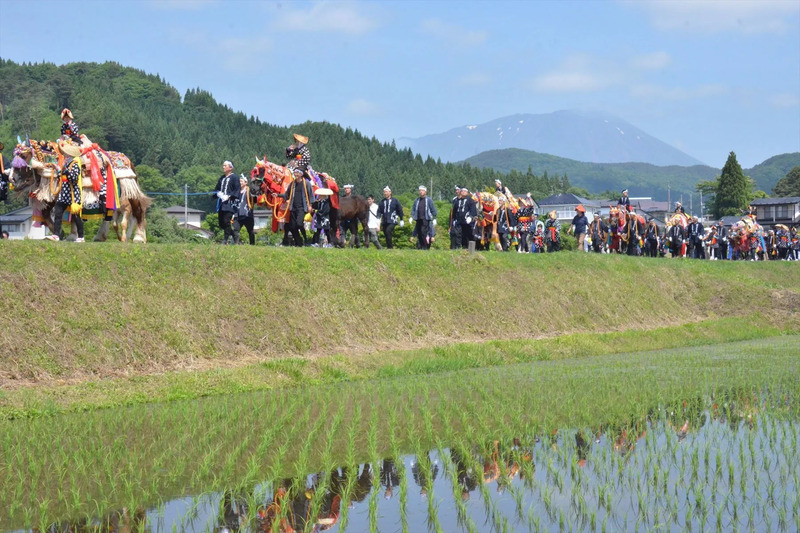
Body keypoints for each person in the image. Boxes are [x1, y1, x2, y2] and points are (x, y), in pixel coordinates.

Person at [46, 140, 84, 242]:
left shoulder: (75, 164)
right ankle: (56, 235)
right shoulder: (66, 164)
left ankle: (81, 236)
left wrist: (65, 170)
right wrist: (58, 169)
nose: (64, 155)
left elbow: (73, 178)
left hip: (72, 193)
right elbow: (62, 177)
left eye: (66, 153)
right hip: (64, 193)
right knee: (58, 213)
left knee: (76, 216)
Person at [278, 170, 315, 246]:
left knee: (299, 224)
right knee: (292, 226)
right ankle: (299, 242)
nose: (296, 174)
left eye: (297, 173)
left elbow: (311, 195)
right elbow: (287, 195)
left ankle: (305, 239)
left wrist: (310, 205)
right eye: (295, 173)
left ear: (301, 174)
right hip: (293, 208)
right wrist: (278, 195)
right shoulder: (292, 184)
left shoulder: (306, 183)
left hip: (302, 207)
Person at [211, 160, 241, 245]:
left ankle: (225, 240)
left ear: (230, 167)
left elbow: (237, 189)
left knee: (226, 221)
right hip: (221, 203)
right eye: (223, 165)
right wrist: (217, 194)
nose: (223, 167)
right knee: (221, 223)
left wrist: (229, 196)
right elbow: (217, 189)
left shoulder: (235, 177)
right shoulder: (222, 178)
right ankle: (234, 235)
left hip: (230, 203)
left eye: (225, 166)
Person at [410, 185, 437, 250]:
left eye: (422, 190)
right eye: (420, 190)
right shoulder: (417, 200)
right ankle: (421, 247)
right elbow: (413, 209)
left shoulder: (429, 200)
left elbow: (433, 209)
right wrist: (412, 217)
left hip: (426, 219)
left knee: (423, 232)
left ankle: (425, 247)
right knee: (419, 233)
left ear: (425, 192)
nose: (421, 192)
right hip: (418, 219)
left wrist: (434, 218)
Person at [232, 174, 256, 245]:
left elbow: (254, 200)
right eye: (239, 181)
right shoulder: (236, 192)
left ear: (246, 182)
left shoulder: (249, 191)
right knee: (235, 229)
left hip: (247, 214)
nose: (240, 183)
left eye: (241, 181)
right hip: (237, 214)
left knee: (250, 231)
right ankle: (235, 244)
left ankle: (252, 244)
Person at [449, 185, 462, 249]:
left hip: (461, 220)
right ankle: (453, 247)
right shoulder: (454, 199)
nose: (456, 191)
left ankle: (459, 247)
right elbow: (452, 211)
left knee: (459, 235)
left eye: (458, 190)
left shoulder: (464, 199)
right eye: (456, 190)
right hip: (455, 219)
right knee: (453, 234)